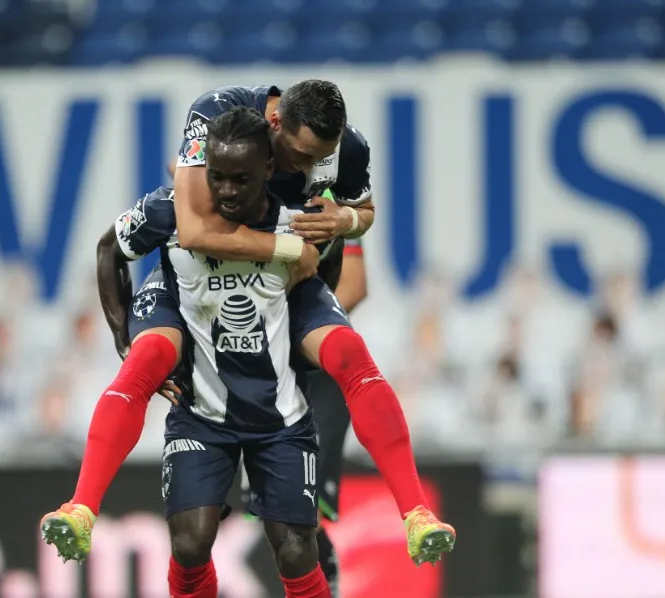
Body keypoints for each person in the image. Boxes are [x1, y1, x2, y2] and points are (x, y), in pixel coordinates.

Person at [44, 81, 454, 568]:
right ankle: (82, 507)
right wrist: (123, 336)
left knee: (348, 355)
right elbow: (193, 229)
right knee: (148, 357)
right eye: (298, 157)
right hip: (198, 279)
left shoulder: (339, 158)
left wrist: (343, 221)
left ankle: (415, 514)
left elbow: (362, 219)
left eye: (317, 160)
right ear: (272, 131)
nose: (306, 171)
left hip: (282, 282)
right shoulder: (215, 120)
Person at [46, 106, 346, 597]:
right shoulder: (169, 210)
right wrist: (123, 334)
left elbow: (326, 281)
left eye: (240, 179)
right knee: (190, 544)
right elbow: (108, 250)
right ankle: (81, 505)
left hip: (280, 412)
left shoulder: (298, 220)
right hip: (202, 408)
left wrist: (302, 320)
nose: (226, 191)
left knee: (295, 550)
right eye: (217, 177)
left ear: (268, 170)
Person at [239, 234, 368, 596]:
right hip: (261, 378)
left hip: (315, 381)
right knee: (275, 513)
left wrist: (292, 334)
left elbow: (354, 286)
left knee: (305, 511)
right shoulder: (244, 193)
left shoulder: (329, 195)